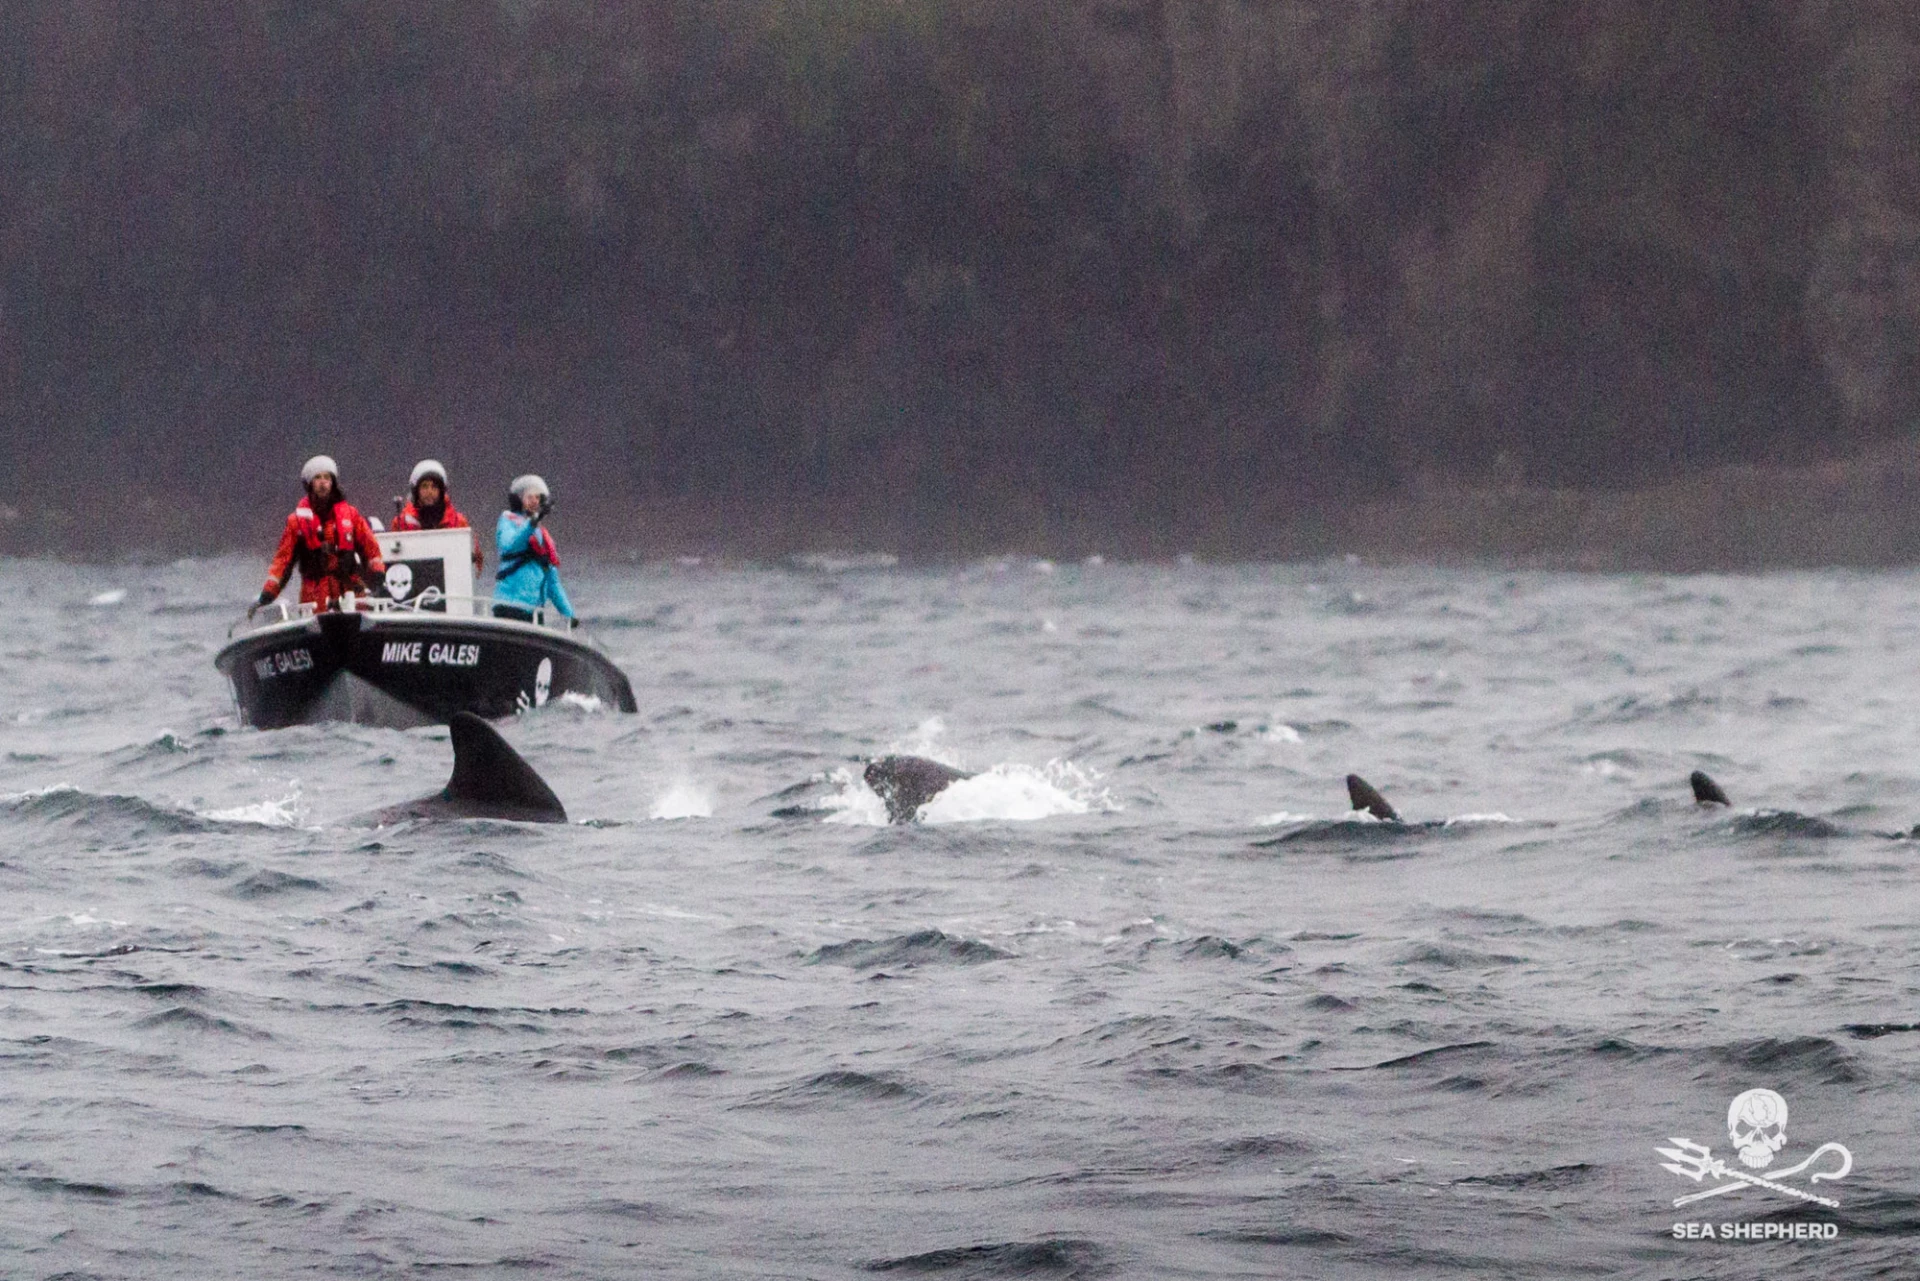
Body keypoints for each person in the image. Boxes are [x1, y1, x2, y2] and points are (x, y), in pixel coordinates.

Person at [253, 455, 386, 616]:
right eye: (317, 478)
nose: (323, 482)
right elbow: (283, 562)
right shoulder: (296, 522)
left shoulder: (351, 516)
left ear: (333, 482)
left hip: (350, 594)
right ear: (310, 484)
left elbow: (371, 549)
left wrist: (378, 575)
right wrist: (268, 593)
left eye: (326, 477)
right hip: (314, 599)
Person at [493, 474, 575, 624]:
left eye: (537, 498)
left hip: (534, 611)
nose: (534, 501)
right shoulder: (508, 520)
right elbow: (509, 545)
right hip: (510, 606)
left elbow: (552, 582)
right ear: (519, 499)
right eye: (529, 497)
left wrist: (569, 614)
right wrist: (532, 522)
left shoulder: (542, 536)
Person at [390, 458, 484, 573]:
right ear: (416, 491)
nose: (429, 491)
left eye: (434, 487)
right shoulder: (401, 522)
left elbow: (476, 563)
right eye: (424, 486)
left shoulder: (458, 522)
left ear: (441, 491)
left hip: (452, 584)